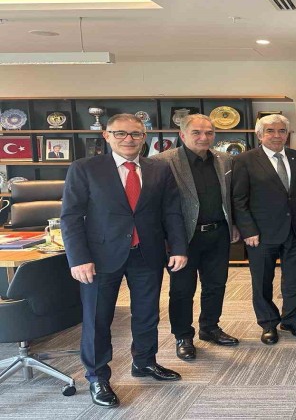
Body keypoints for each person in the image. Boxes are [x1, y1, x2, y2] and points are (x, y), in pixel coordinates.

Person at [61, 113, 188, 408]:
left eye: (135, 134)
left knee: (147, 313)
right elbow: (71, 216)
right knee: (98, 318)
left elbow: (171, 211)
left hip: (147, 253)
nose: (128, 139)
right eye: (120, 133)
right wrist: (78, 258)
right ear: (107, 136)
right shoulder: (85, 168)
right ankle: (97, 376)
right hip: (99, 257)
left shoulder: (160, 169)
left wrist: (178, 248)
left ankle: (144, 361)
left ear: (144, 137)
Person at [152, 114, 241, 361]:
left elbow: (231, 196)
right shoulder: (162, 162)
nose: (204, 137)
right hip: (182, 238)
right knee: (182, 290)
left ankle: (210, 327)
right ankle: (183, 336)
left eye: (209, 132)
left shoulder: (225, 159)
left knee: (216, 285)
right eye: (197, 132)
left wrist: (233, 224)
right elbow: (156, 205)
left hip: (218, 234)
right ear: (182, 135)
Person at [231, 114, 296, 345]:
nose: (277, 135)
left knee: (295, 280)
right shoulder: (245, 160)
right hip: (261, 234)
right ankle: (268, 324)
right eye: (270, 131)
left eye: (281, 131)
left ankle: (291, 320)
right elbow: (239, 199)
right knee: (262, 281)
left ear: (287, 134)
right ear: (259, 135)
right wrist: (248, 230)